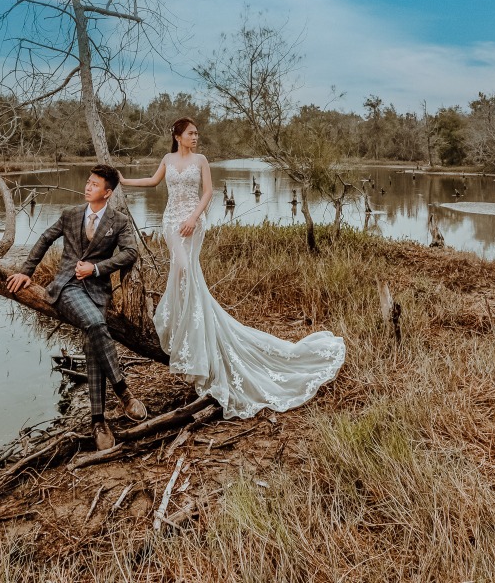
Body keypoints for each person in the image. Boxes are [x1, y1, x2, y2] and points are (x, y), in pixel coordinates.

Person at [120, 118, 345, 418]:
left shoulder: (201, 160)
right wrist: (124, 181)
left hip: (192, 223)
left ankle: (194, 336)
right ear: (177, 136)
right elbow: (152, 181)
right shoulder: (167, 158)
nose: (196, 137)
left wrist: (193, 218)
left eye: (197, 133)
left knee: (188, 271)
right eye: (190, 133)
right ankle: (186, 330)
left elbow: (208, 193)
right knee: (181, 272)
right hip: (171, 222)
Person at [6, 164, 149, 451]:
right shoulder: (70, 215)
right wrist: (26, 271)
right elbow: (45, 239)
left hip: (97, 291)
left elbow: (131, 253)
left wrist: (97, 268)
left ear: (107, 193)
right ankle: (122, 390)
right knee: (96, 324)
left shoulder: (118, 221)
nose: (87, 187)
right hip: (66, 288)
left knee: (91, 343)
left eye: (95, 185)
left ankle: (98, 421)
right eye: (88, 182)